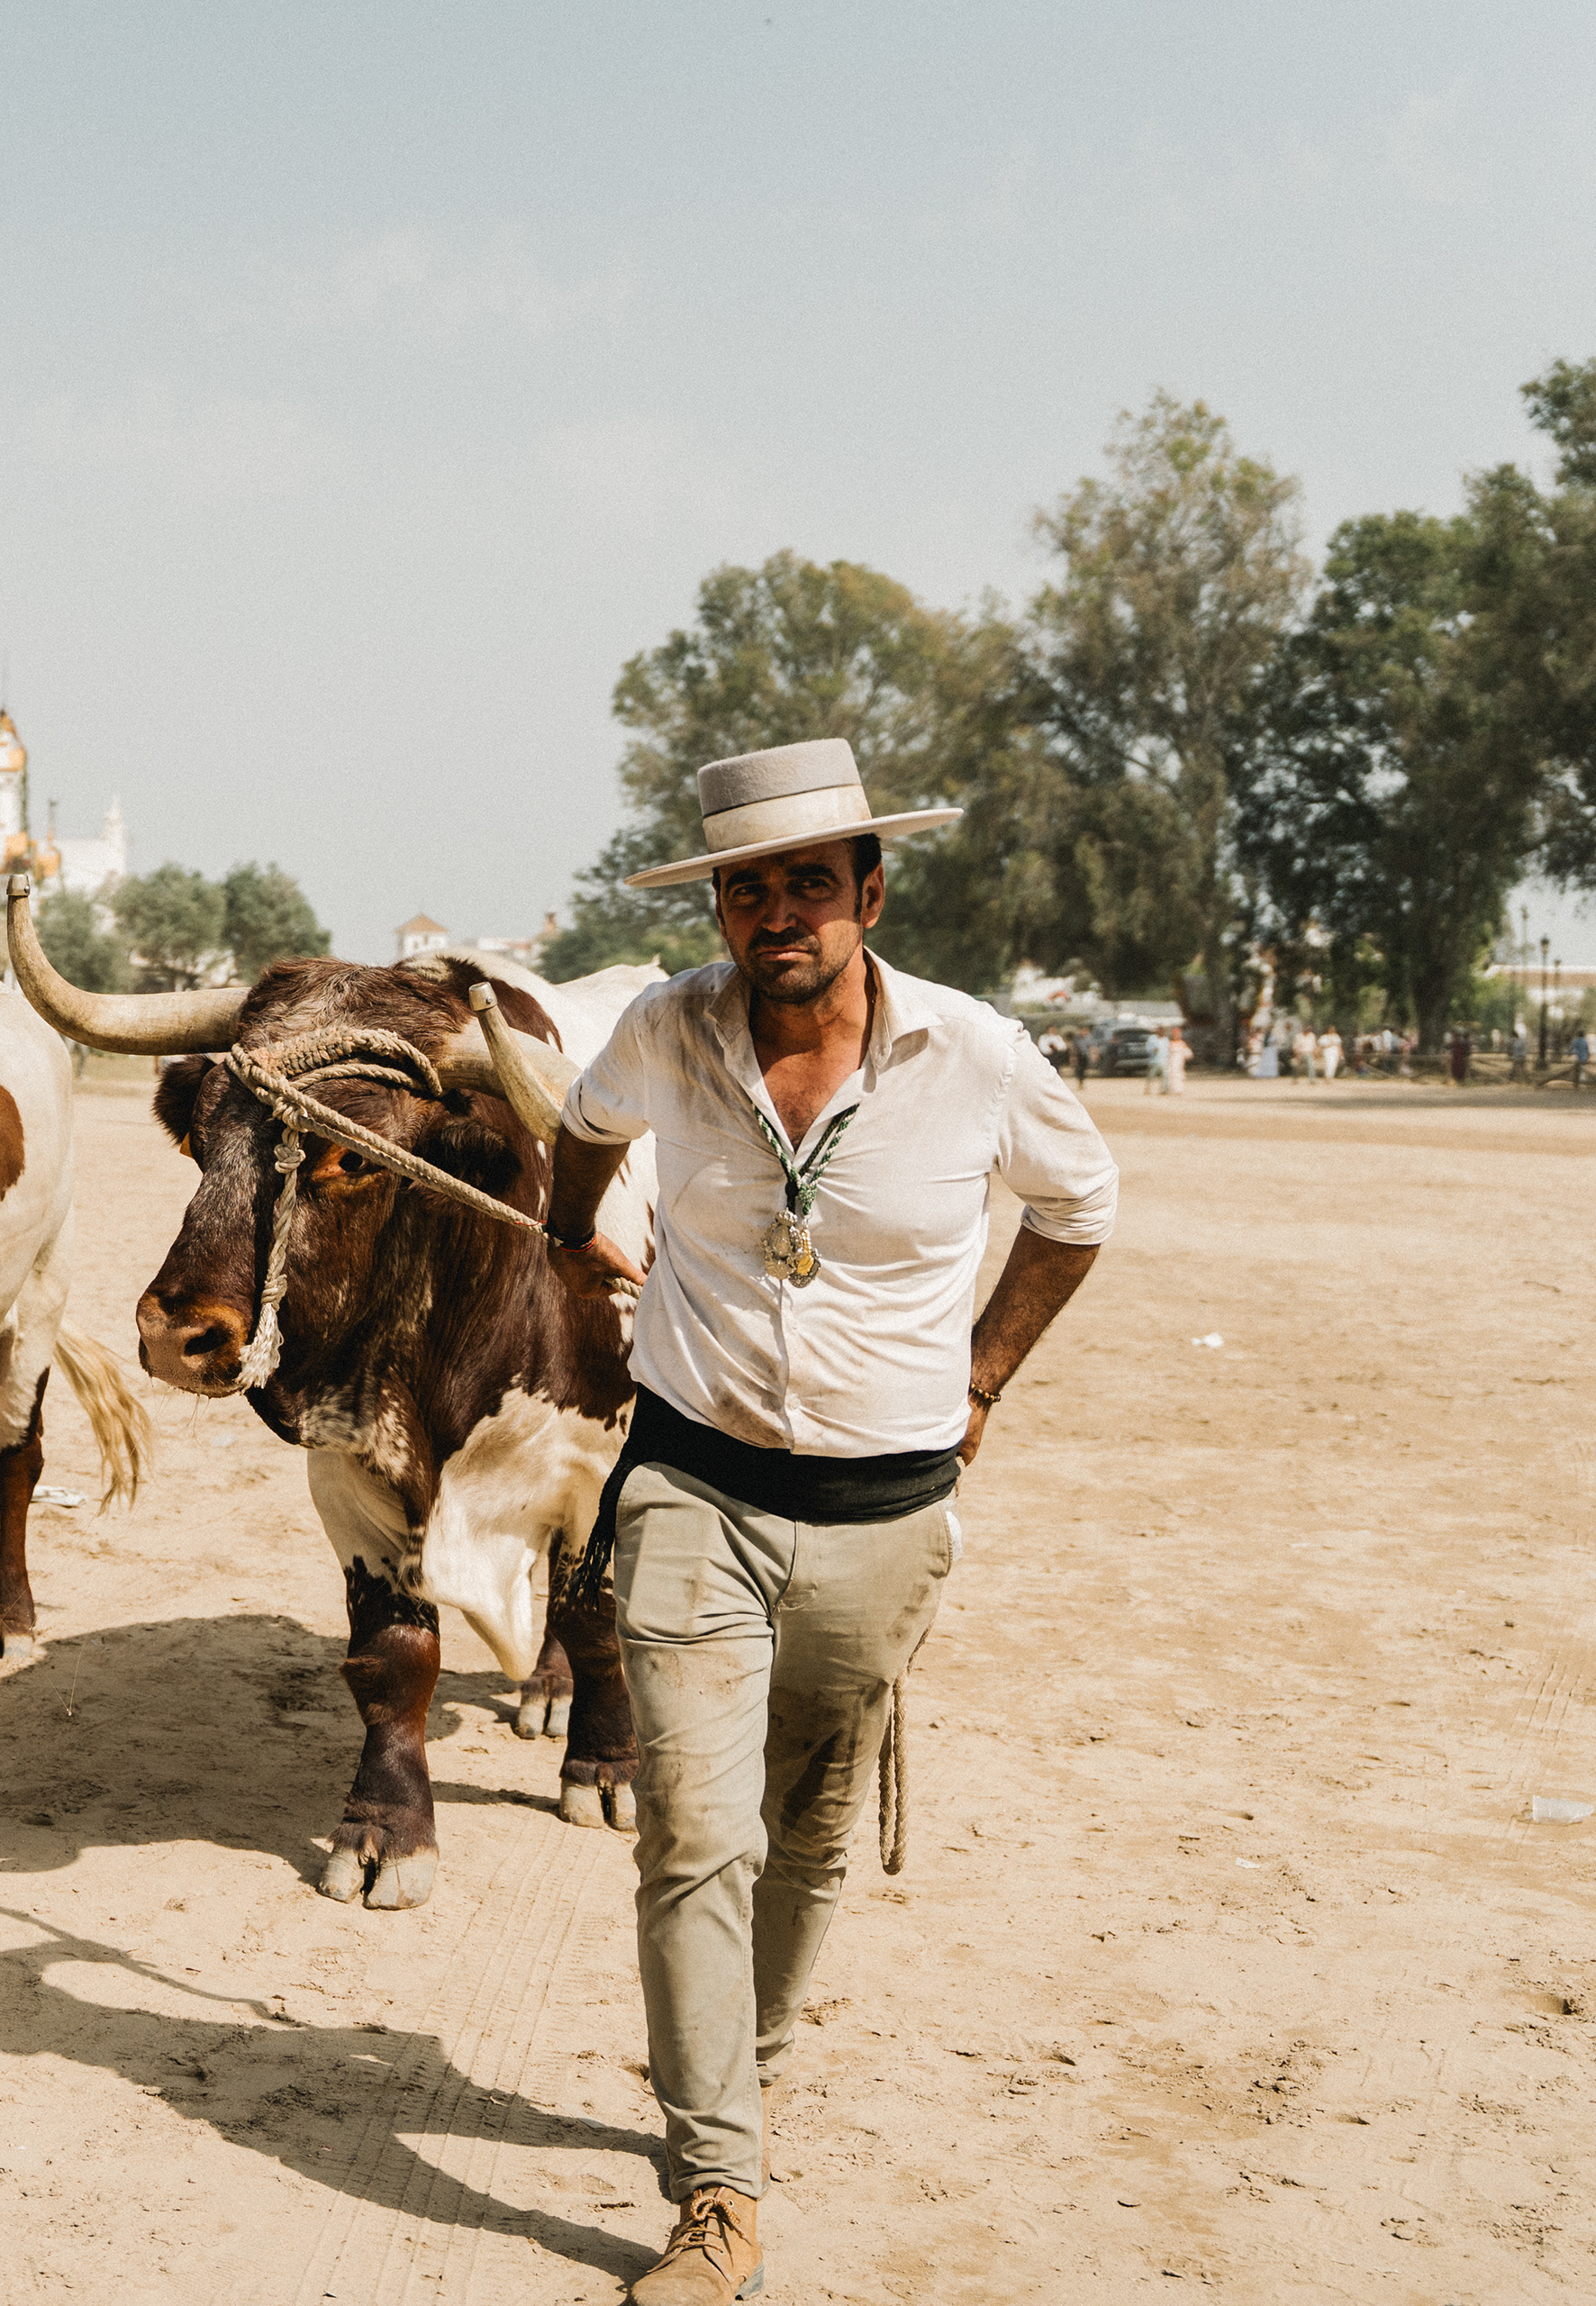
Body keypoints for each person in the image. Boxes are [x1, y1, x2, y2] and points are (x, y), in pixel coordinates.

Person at [543, 739, 1115, 2306]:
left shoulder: (981, 1055)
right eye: (747, 886)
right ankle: (717, 2185)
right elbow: (582, 1137)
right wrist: (580, 1236)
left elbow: (1082, 1207)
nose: (776, 910)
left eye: (808, 881)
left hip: (884, 1518)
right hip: (692, 1489)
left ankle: (750, 2053)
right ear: (719, 907)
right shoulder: (665, 1031)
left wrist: (986, 1374)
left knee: (803, 1831)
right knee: (691, 1832)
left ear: (870, 891)